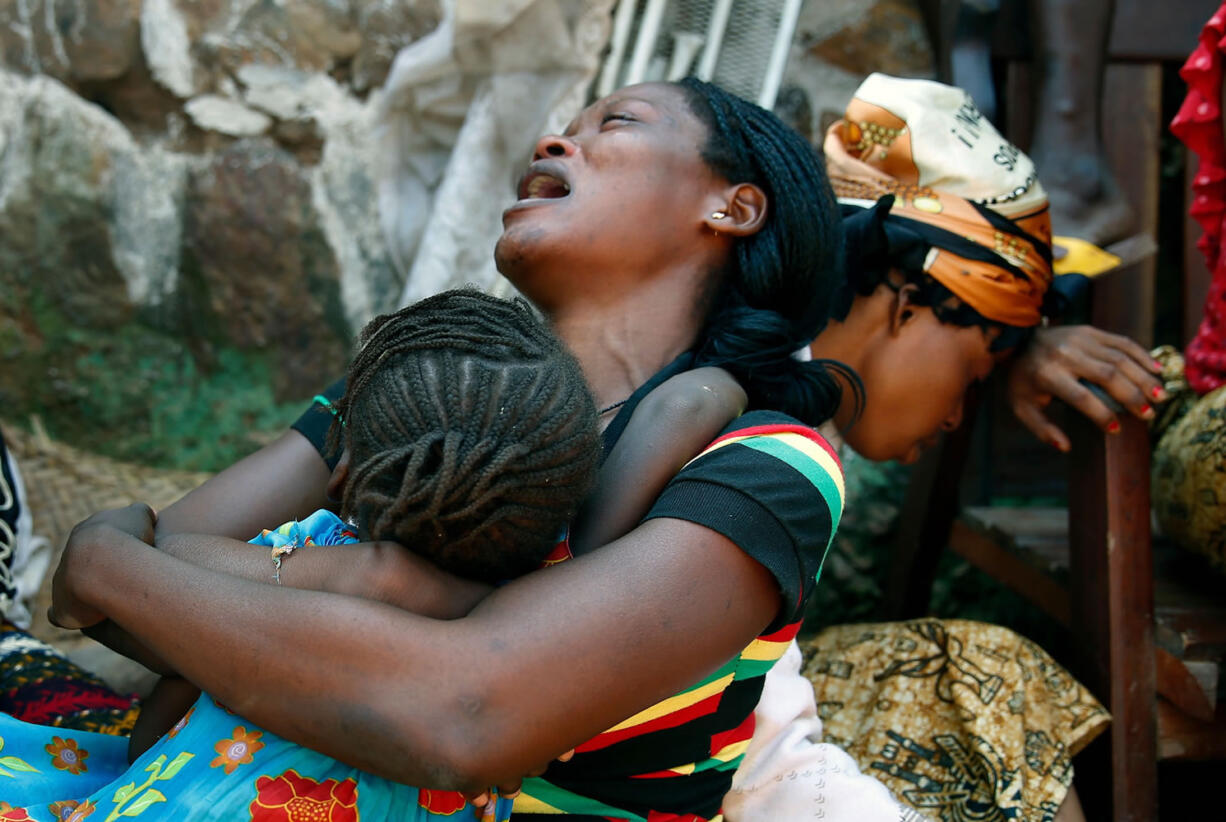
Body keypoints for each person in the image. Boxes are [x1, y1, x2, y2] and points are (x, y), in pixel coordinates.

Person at [40, 78, 850, 822]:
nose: (553, 142)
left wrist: (113, 563)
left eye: (616, 123)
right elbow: (128, 615)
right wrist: (378, 602)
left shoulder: (766, 462)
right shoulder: (421, 385)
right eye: (562, 127)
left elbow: (463, 718)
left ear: (734, 207)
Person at [0, 289, 604, 820]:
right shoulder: (528, 637)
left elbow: (148, 609)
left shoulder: (310, 555)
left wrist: (122, 525)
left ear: (341, 475)